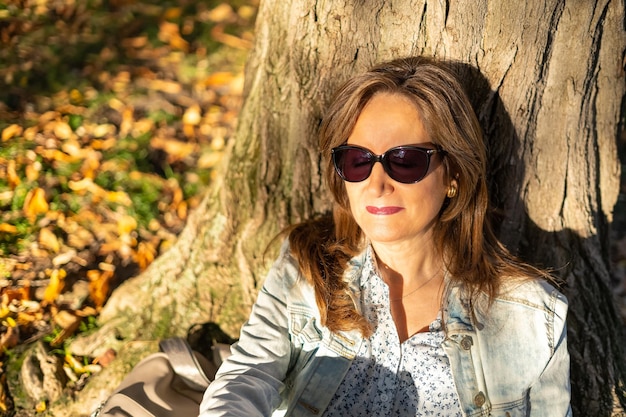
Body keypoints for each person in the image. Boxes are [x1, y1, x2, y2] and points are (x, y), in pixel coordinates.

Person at [198, 56, 571, 417]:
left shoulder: (532, 314)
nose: (377, 185)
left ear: (454, 173)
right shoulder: (307, 265)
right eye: (357, 160)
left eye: (405, 161)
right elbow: (247, 376)